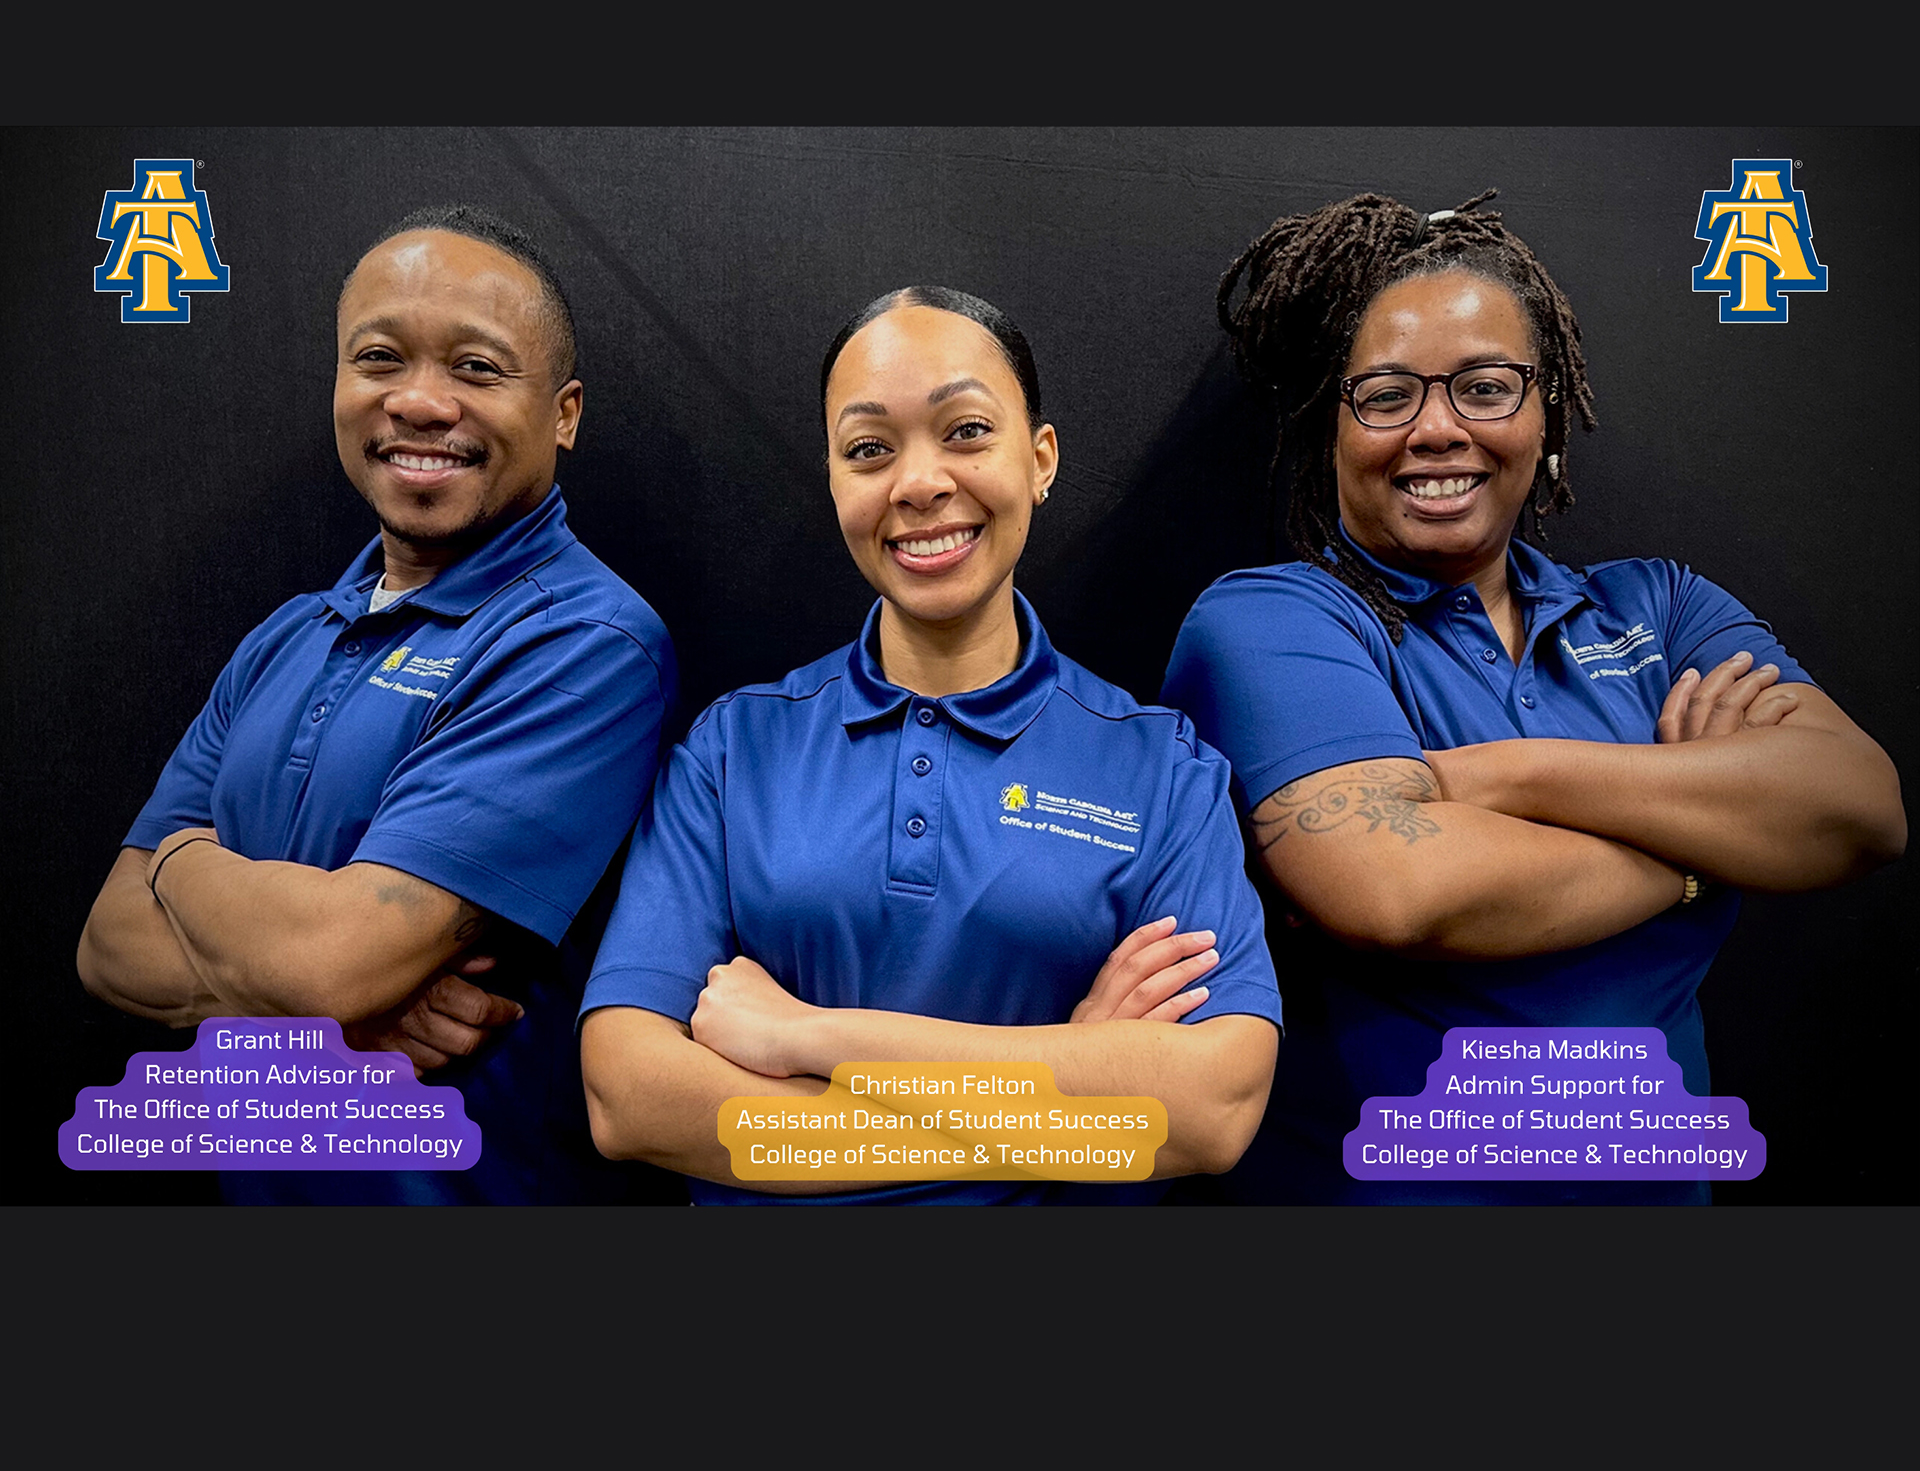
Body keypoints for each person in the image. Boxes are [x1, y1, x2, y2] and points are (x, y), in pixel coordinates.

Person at [1161, 190, 1906, 1204]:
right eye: (1385, 394)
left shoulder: (1663, 606)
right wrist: (1708, 848)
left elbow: (1862, 807)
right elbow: (1397, 889)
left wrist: (1504, 776)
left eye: (1484, 386)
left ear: (1544, 405)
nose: (1435, 428)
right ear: (1329, 420)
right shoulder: (1274, 623)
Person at [580, 286, 1281, 1203]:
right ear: (835, 479)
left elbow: (1214, 1110)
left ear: (1040, 459)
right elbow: (628, 1098)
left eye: (965, 432)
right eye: (870, 450)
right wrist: (1070, 1082)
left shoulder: (1163, 771)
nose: (919, 483)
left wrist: (809, 1041)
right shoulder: (732, 750)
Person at [76, 206, 678, 1204]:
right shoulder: (287, 635)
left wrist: (178, 859)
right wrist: (341, 1018)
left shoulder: (584, 641)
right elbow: (105, 944)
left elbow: (331, 961)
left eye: (478, 369)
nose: (420, 402)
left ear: (564, 413)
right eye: (380, 358)